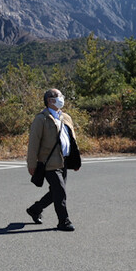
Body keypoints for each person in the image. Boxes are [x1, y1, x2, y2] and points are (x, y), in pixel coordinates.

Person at [25, 88, 81, 232]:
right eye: (59, 96)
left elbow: (72, 140)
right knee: (60, 191)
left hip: (64, 161)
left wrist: (75, 160)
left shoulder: (66, 117)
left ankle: (35, 209)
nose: (62, 98)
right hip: (49, 163)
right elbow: (33, 143)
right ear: (50, 100)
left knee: (56, 192)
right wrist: (31, 164)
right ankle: (64, 221)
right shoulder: (41, 119)